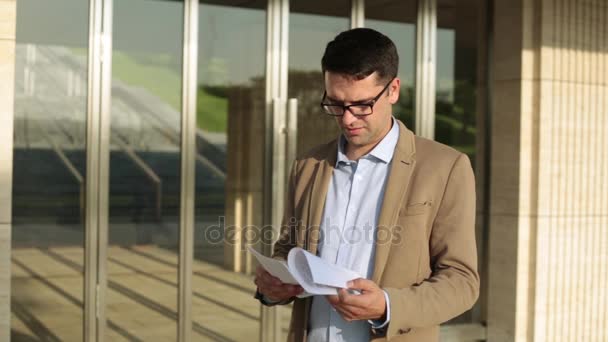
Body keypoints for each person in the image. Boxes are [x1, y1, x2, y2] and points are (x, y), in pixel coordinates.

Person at [253, 28, 479, 342]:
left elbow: (462, 282)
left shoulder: (445, 168)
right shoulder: (307, 166)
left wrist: (387, 305)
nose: (347, 119)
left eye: (362, 105)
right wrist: (273, 286)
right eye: (336, 103)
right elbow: (289, 250)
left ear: (393, 90)